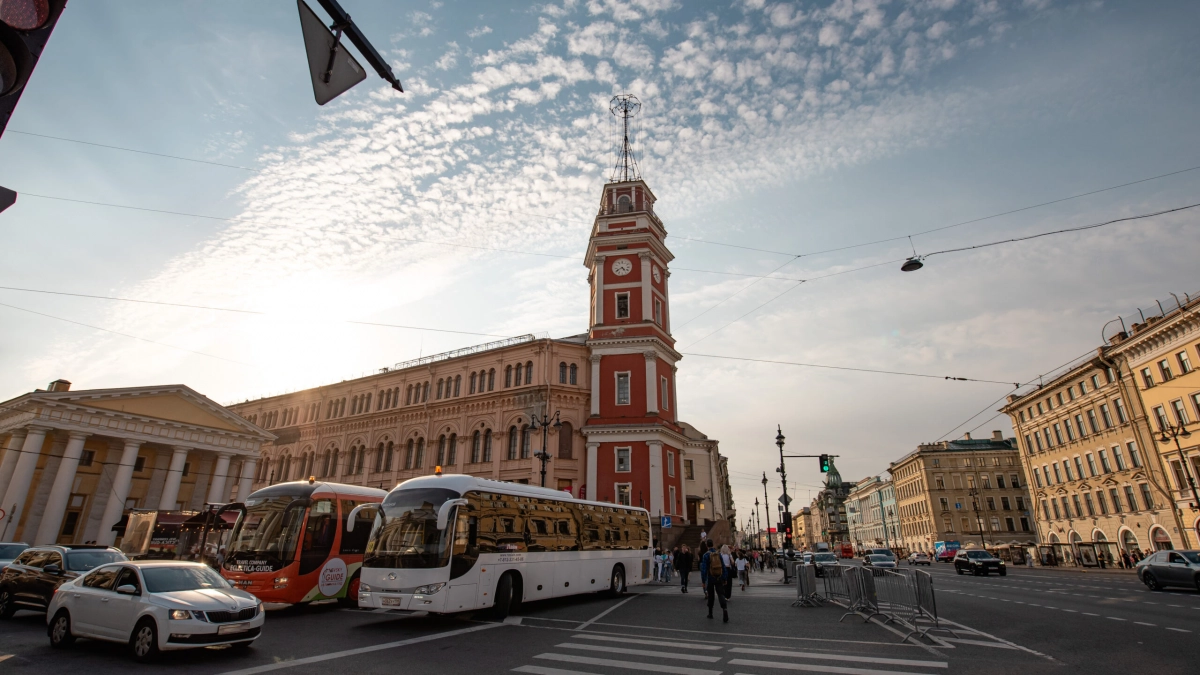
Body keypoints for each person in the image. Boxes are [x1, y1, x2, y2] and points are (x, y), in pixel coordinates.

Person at [700, 541, 729, 622]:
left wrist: (703, 580)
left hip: (710, 577)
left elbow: (704, 569)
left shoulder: (706, 555)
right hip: (718, 577)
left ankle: (710, 613)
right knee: (721, 594)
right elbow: (723, 566)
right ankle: (724, 609)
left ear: (707, 545)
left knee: (711, 595)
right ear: (713, 544)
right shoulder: (718, 554)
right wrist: (724, 578)